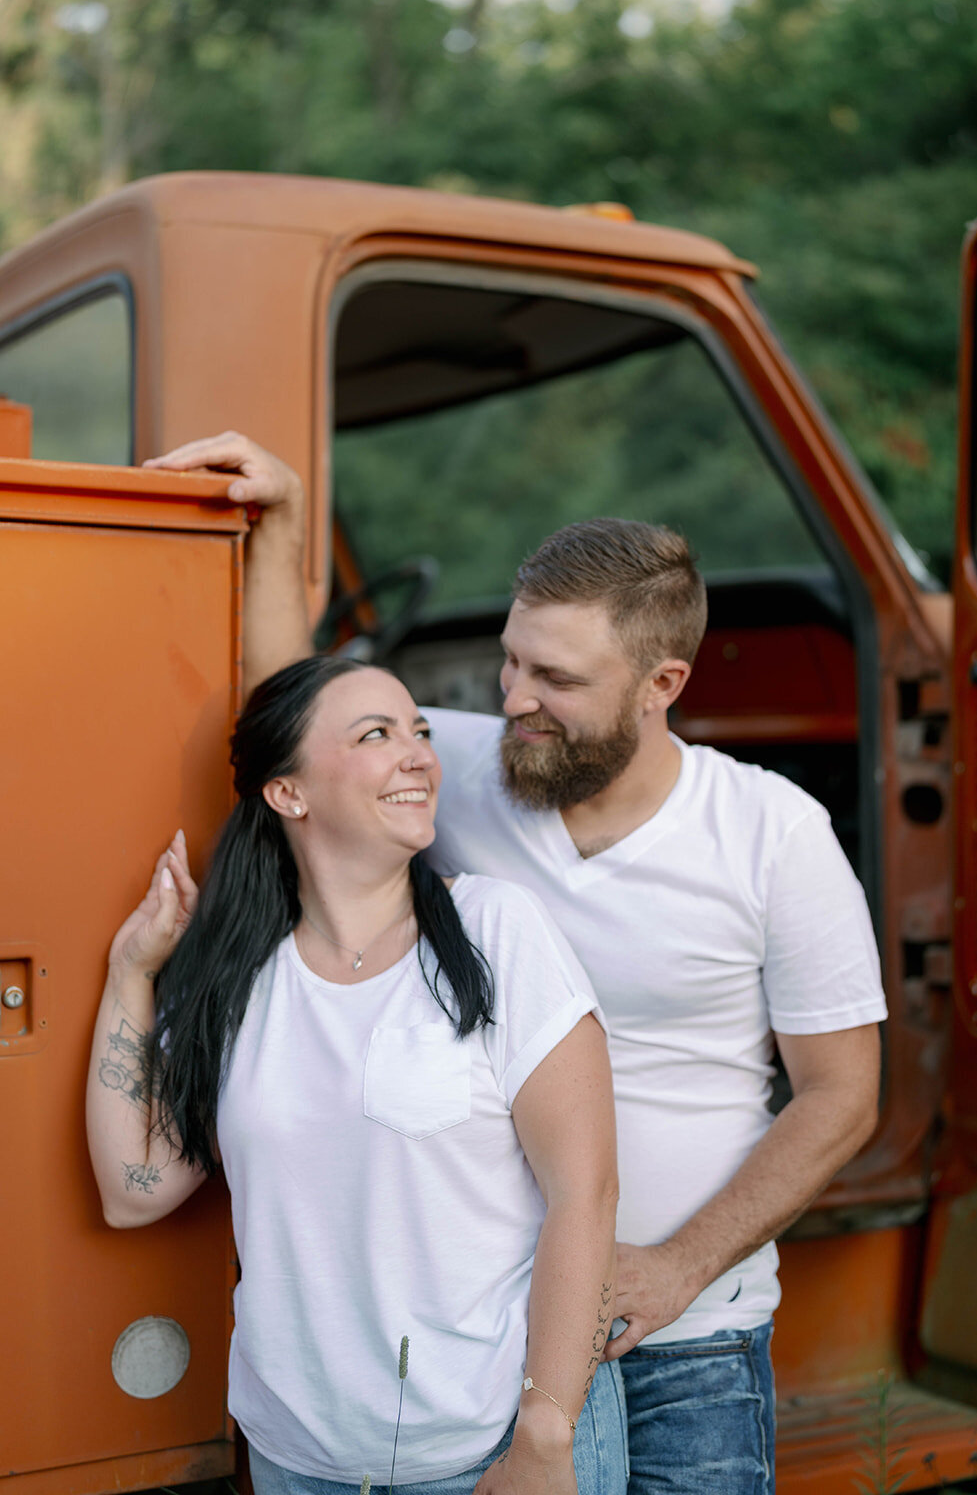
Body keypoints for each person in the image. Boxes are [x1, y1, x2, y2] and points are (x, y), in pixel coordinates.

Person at [145, 433, 887, 1495]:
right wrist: (287, 526)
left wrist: (675, 1267)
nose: (512, 697)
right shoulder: (460, 774)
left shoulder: (772, 834)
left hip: (690, 1332)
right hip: (495, 1331)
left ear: (658, 682)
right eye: (509, 659)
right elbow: (296, 720)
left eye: (554, 677)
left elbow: (839, 1099)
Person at [86, 653, 626, 1495]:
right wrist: (131, 974)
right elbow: (134, 1187)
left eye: (418, 730)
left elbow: (584, 1193)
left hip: (493, 1453)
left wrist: (546, 1439)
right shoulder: (235, 983)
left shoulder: (497, 932)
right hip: (301, 1463)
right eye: (376, 734)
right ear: (287, 793)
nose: (418, 752)